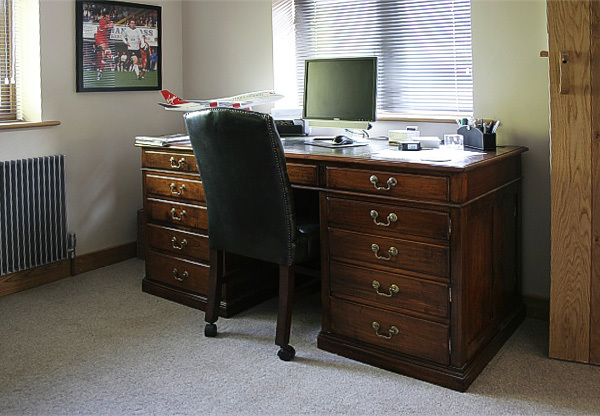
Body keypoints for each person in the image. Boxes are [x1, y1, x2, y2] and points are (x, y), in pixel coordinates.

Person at [94, 12, 113, 80]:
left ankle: (100, 72)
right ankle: (110, 55)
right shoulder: (101, 21)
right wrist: (110, 25)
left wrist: (110, 25)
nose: (108, 19)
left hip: (105, 38)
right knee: (104, 48)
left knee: (103, 58)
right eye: (107, 17)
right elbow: (107, 26)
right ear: (104, 18)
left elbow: (112, 25)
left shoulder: (109, 22)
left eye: (109, 17)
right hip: (99, 37)